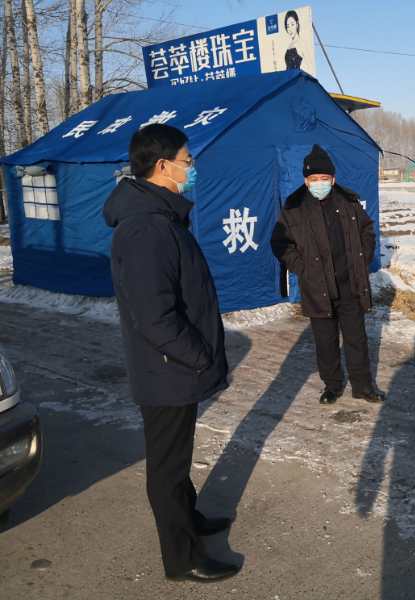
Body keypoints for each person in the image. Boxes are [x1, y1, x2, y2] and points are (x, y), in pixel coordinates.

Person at [103, 124, 239, 582]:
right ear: (162, 166)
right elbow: (155, 317)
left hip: (173, 369)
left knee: (177, 460)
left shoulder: (158, 217)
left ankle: (191, 519)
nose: (191, 168)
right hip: (168, 371)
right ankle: (182, 558)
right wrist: (198, 355)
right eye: (187, 160)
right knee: (166, 467)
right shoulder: (145, 228)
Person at [271, 144, 385, 404]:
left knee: (356, 338)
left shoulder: (348, 201)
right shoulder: (294, 207)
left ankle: (363, 385)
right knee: (326, 341)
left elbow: (367, 230)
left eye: (324, 178)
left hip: (350, 285)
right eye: (314, 179)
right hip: (317, 286)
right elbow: (280, 244)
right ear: (306, 180)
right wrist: (303, 268)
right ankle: (332, 385)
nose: (320, 183)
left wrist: (362, 258)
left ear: (333, 179)